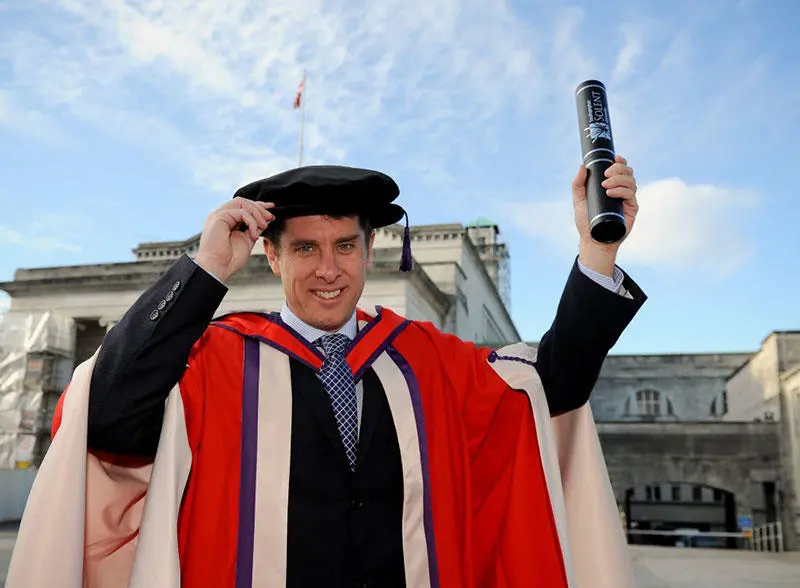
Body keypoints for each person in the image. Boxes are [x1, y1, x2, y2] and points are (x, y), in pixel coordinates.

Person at [8, 157, 645, 588]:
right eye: (306, 248)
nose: (328, 270)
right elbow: (110, 418)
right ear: (270, 254)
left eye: (345, 246)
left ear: (371, 250)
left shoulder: (428, 361)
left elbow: (553, 384)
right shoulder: (216, 361)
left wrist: (597, 251)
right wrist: (204, 271)